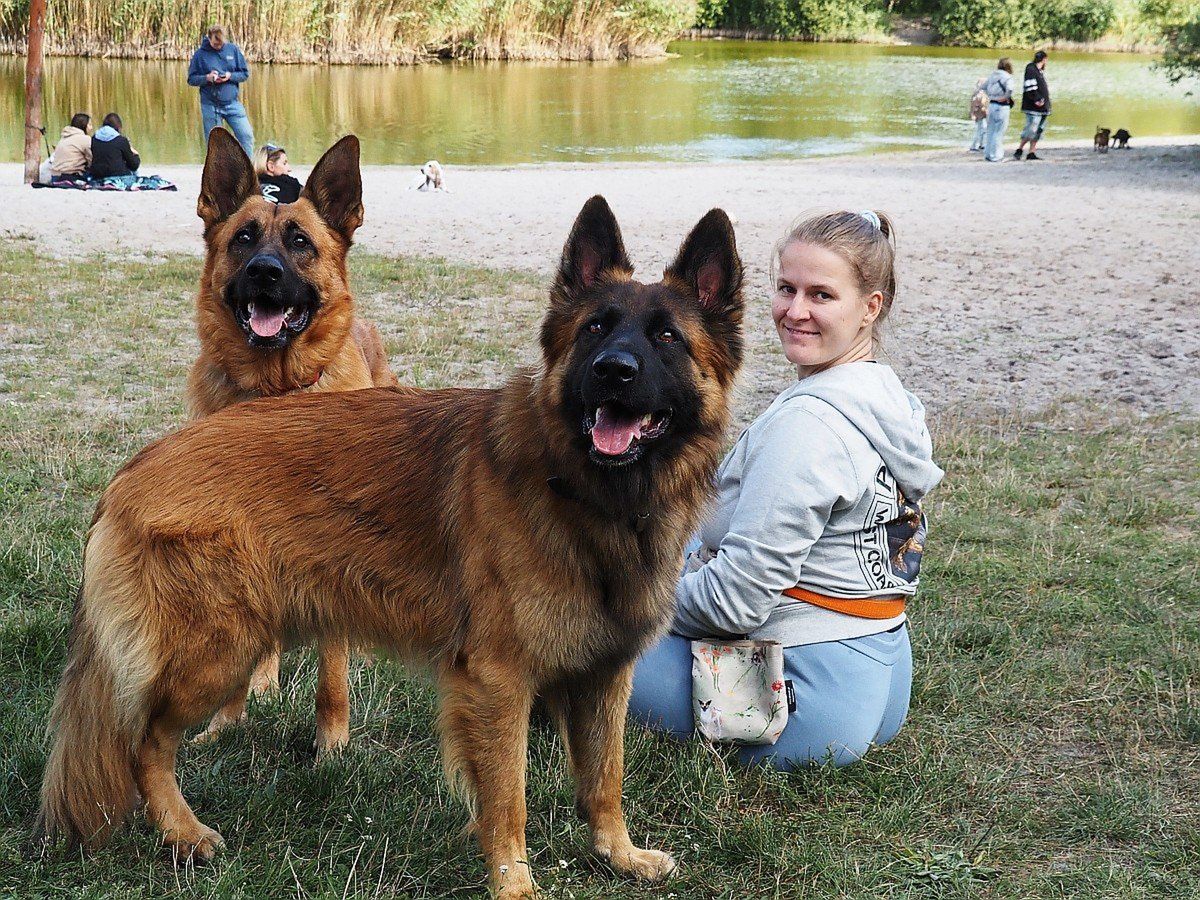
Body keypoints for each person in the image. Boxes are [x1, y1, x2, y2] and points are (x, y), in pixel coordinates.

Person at [628, 210, 943, 770]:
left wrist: (629, 599)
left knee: (581, 640)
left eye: (821, 295)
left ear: (870, 307)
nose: (795, 311)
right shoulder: (881, 397)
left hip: (799, 699)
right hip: (878, 675)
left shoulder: (809, 428)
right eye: (785, 288)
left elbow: (735, 603)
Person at [187, 24, 254, 158]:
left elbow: (244, 74)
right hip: (210, 105)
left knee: (246, 136)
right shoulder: (200, 55)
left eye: (221, 44)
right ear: (209, 39)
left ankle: (248, 170)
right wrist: (207, 78)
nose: (218, 46)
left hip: (232, 103)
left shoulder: (232, 50)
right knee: (215, 144)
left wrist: (230, 76)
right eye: (215, 44)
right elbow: (191, 79)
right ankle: (218, 174)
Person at [1015, 50, 1050, 161]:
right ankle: (1019, 149)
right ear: (1044, 59)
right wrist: (1037, 99)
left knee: (1039, 130)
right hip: (1033, 107)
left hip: (1043, 107)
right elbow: (1030, 87)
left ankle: (1032, 152)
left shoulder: (1039, 71)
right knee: (1031, 129)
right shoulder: (1031, 69)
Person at [982, 57, 1015, 163]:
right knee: (999, 131)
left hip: (992, 104)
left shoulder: (992, 75)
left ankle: (988, 154)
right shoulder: (1008, 77)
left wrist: (991, 96)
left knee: (990, 130)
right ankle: (996, 156)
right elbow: (1010, 89)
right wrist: (1005, 97)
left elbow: (983, 87)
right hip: (1002, 105)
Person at [89, 112, 140, 179]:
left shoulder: (94, 138)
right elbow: (133, 165)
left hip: (97, 174)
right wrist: (136, 154)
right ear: (118, 126)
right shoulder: (121, 140)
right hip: (117, 174)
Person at [49, 112, 92, 180]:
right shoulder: (85, 139)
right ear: (84, 125)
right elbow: (92, 160)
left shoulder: (64, 137)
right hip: (71, 175)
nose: (91, 128)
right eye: (89, 124)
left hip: (55, 176)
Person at [968, 78, 988, 152]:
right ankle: (975, 145)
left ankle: (981, 145)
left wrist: (972, 113)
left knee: (981, 129)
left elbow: (972, 105)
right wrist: (986, 112)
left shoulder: (975, 93)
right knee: (981, 130)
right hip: (981, 115)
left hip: (978, 115)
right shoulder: (981, 94)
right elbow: (982, 105)